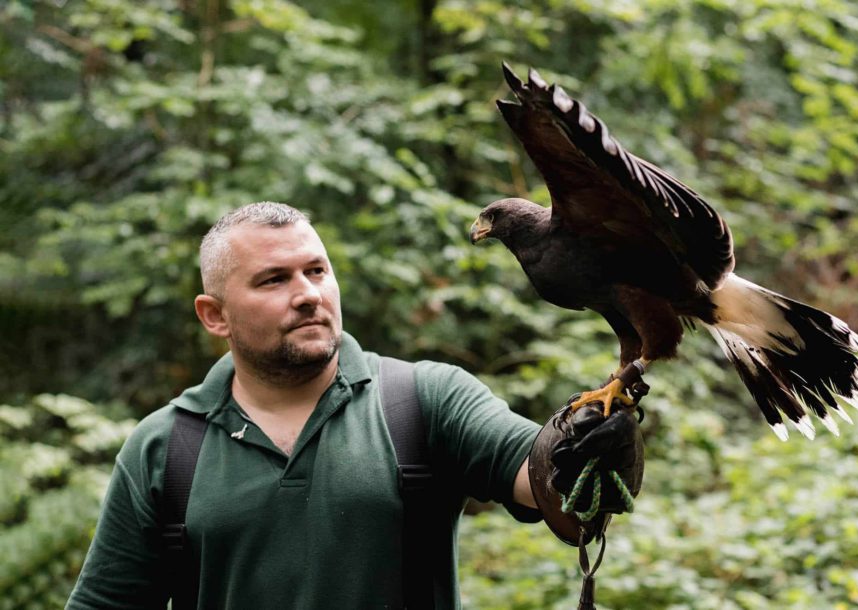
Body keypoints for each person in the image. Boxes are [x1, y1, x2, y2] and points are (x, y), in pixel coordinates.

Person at [65, 201, 638, 609]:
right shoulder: (166, 447)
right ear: (215, 315)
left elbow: (544, 480)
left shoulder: (422, 400)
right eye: (273, 280)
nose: (308, 293)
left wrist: (587, 443)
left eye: (317, 271)